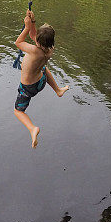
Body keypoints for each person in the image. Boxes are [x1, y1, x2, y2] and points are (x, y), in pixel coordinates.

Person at [13, 10, 69, 148]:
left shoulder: (33, 50)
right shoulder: (49, 50)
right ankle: (58, 90)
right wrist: (33, 22)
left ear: (38, 41)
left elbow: (18, 42)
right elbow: (34, 36)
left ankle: (32, 128)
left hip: (28, 88)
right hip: (41, 81)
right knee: (44, 68)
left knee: (18, 111)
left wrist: (26, 27)